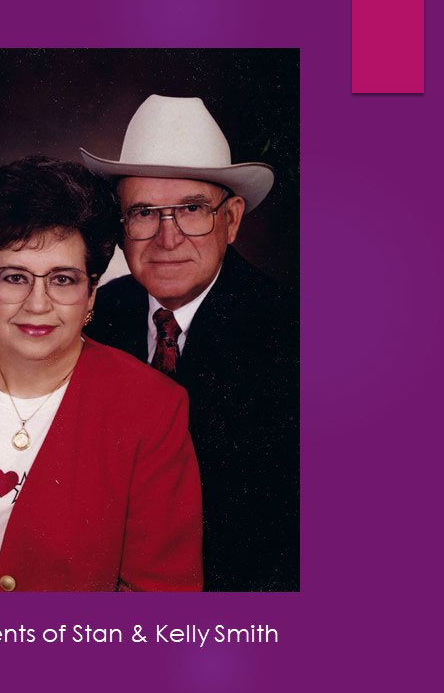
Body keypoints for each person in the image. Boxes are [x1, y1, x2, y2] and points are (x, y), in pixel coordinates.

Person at [0, 156, 202, 592]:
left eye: (63, 279)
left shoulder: (153, 408)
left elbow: (161, 594)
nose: (38, 303)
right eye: (14, 277)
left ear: (91, 294)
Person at [80, 95, 299, 591]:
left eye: (191, 209)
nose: (167, 237)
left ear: (233, 218)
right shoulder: (93, 314)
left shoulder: (294, 334)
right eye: (143, 212)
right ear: (119, 228)